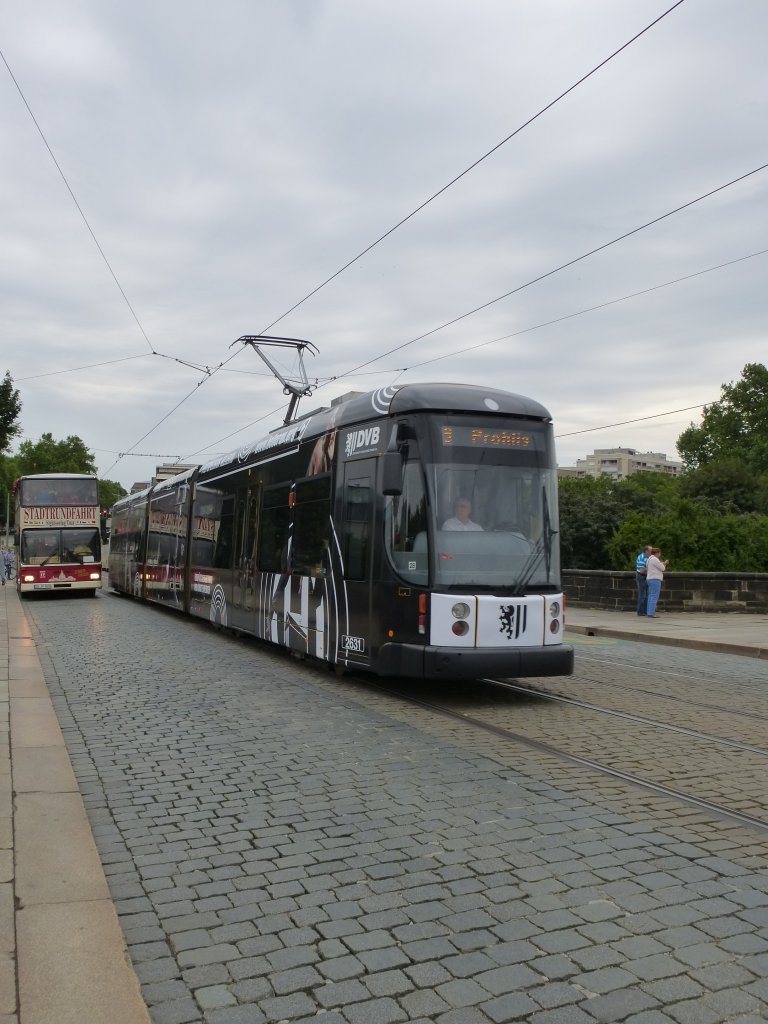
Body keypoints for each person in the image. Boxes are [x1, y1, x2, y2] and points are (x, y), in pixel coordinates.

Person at [645, 547, 668, 618]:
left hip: (649, 578)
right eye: (659, 553)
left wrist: (661, 563)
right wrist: (665, 563)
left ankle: (649, 612)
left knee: (650, 596)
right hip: (655, 579)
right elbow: (662, 568)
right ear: (657, 553)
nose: (660, 554)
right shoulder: (655, 559)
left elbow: (656, 566)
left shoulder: (649, 559)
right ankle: (651, 613)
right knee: (654, 596)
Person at [635, 544, 652, 615]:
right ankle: (640, 611)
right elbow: (641, 570)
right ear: (646, 551)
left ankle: (645, 611)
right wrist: (651, 568)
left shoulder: (648, 557)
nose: (652, 552)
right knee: (642, 594)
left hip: (646, 576)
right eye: (651, 550)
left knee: (647, 594)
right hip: (641, 576)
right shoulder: (642, 557)